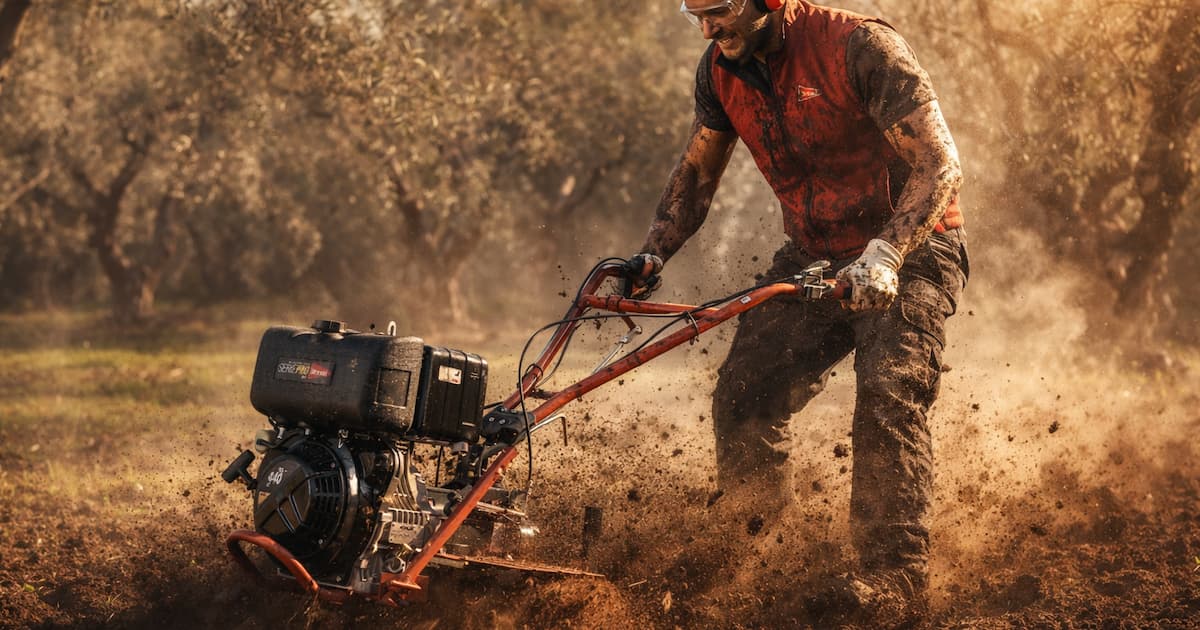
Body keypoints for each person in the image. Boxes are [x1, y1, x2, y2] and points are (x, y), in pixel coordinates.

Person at [621, 0, 969, 624]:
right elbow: (699, 176)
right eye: (693, 14)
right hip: (815, 255)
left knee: (889, 392)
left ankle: (893, 581)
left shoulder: (858, 46)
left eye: (720, 11)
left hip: (911, 248)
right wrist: (650, 257)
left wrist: (885, 254)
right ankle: (758, 555)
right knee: (744, 394)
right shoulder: (720, 71)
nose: (707, 29)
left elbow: (939, 163)